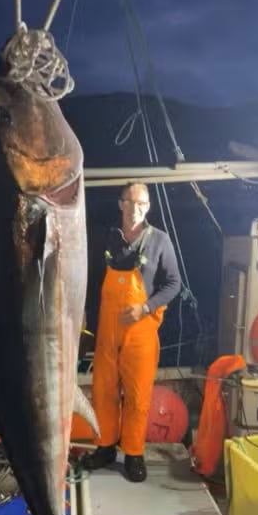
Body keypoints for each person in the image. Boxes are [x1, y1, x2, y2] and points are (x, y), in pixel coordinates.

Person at [80, 182, 182, 483]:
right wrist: (85, 317)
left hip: (141, 330)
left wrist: (146, 308)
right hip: (107, 331)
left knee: (138, 395)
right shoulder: (105, 238)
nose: (135, 208)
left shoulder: (160, 241)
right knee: (103, 391)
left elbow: (173, 284)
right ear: (121, 204)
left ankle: (134, 455)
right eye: (130, 202)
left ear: (147, 207)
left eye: (142, 203)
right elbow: (89, 279)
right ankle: (105, 448)